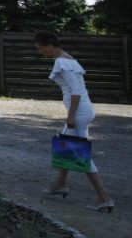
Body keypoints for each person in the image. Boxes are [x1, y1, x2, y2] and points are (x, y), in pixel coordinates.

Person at [34, 32, 114, 213]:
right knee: (65, 147)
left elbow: (76, 91)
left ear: (49, 46)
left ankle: (104, 197)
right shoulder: (69, 59)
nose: (40, 52)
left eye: (40, 48)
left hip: (79, 113)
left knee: (80, 154)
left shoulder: (61, 62)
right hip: (82, 112)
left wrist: (71, 116)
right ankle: (60, 184)